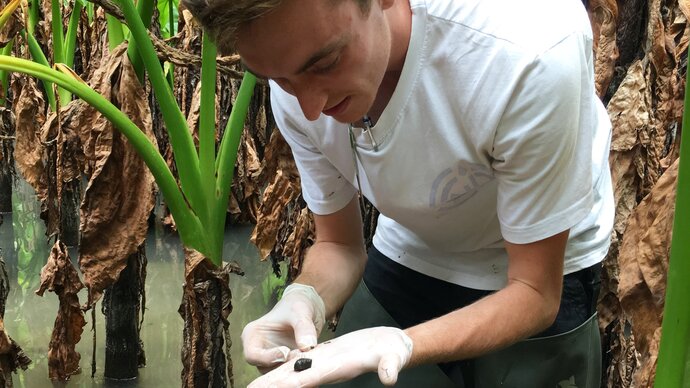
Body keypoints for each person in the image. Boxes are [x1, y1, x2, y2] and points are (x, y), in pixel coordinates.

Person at [182, 0, 614, 386]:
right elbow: (339, 245)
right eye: (280, 79)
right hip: (416, 242)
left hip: (542, 265)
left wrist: (405, 344)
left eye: (326, 63)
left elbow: (536, 292)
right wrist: (305, 296)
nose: (311, 107)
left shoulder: (530, 49)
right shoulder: (294, 89)